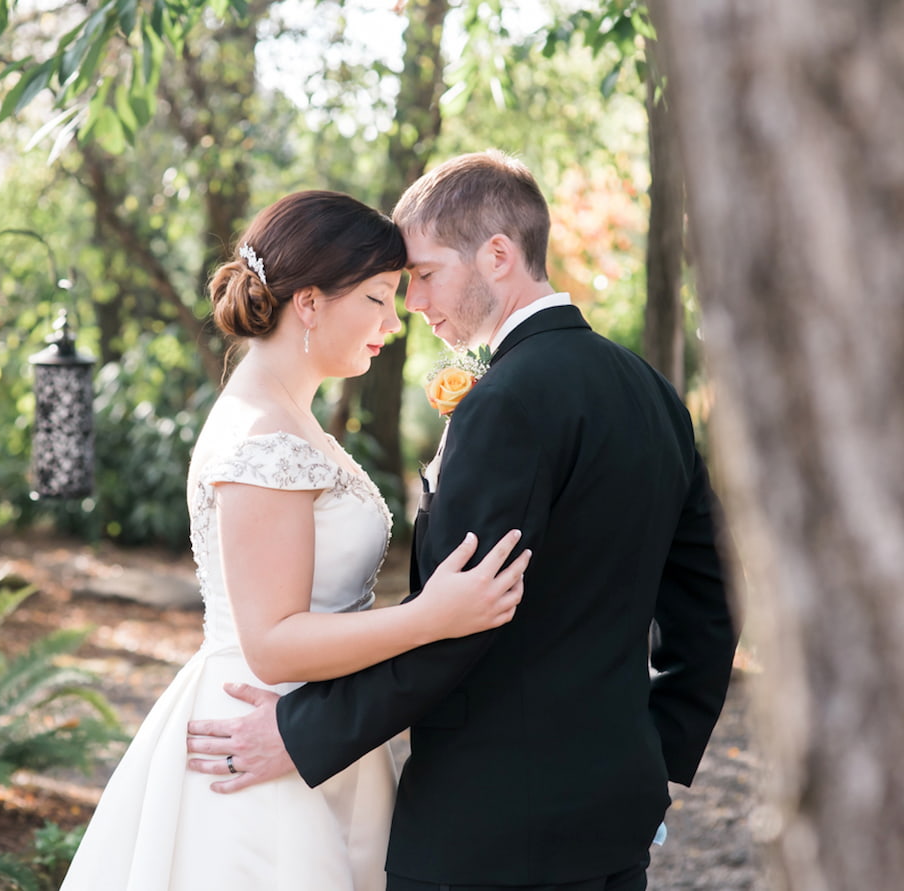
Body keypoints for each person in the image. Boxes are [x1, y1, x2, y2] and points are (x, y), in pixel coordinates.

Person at [187, 152, 738, 890]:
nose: (412, 303)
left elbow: (459, 625)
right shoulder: (654, 393)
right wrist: (659, 754)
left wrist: (300, 734)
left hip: (487, 827)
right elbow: (709, 603)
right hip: (616, 816)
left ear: (499, 256)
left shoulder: (504, 403)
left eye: (425, 274)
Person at [59, 190, 531, 891]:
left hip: (315, 728)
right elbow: (273, 641)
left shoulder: (287, 416)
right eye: (376, 299)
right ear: (308, 303)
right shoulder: (263, 436)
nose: (393, 322)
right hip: (264, 732)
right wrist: (432, 618)